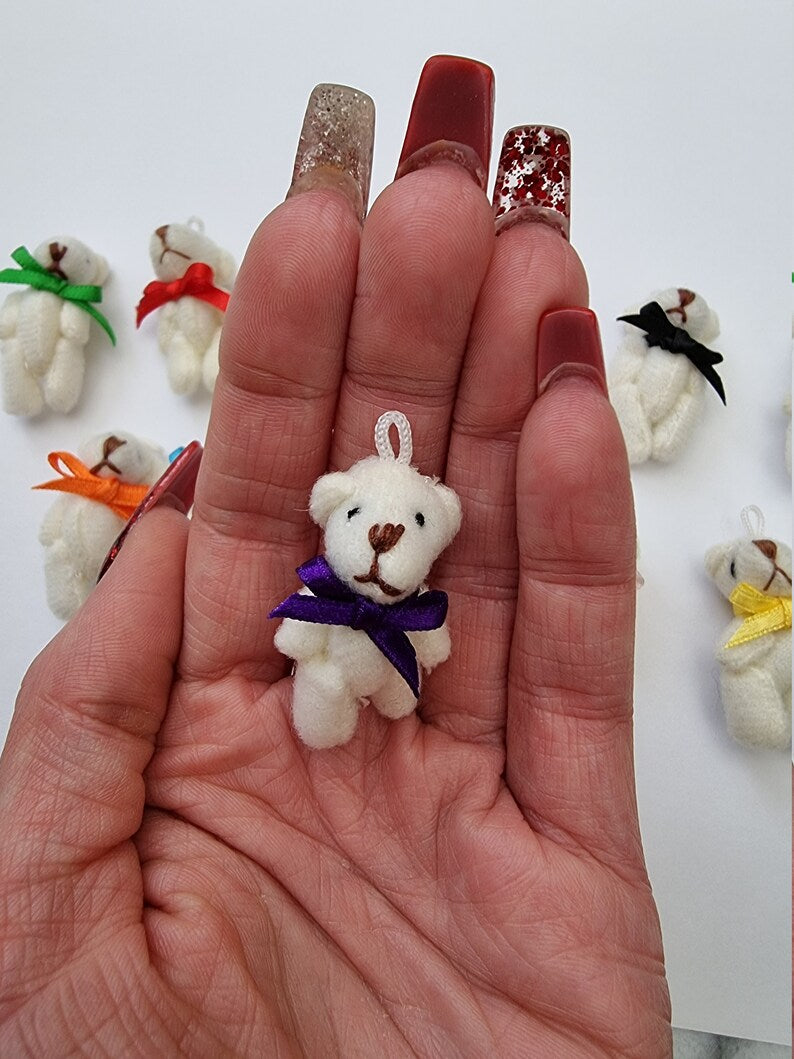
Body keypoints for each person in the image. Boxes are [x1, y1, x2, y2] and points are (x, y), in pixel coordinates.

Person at [0, 57, 672, 1057]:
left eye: (407, 529)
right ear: (332, 512)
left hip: (378, 676)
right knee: (330, 679)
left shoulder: (414, 599)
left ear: (440, 528)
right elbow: (301, 619)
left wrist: (407, 668)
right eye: (364, 518)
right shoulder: (319, 587)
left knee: (386, 679)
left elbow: (423, 648)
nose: (385, 534)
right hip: (329, 669)